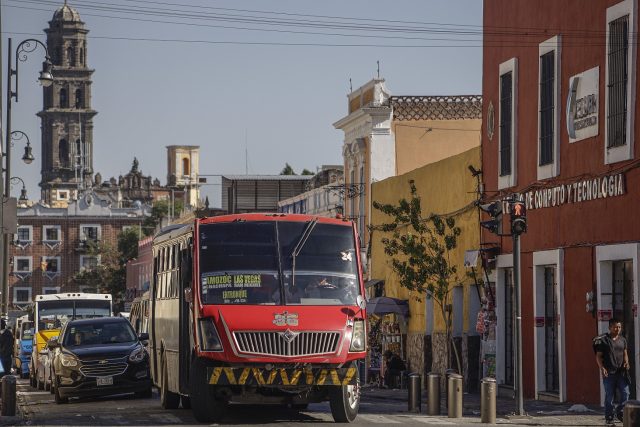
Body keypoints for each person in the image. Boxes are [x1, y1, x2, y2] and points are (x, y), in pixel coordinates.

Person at [595, 318, 630, 423]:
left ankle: (620, 412)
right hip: (609, 373)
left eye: (619, 327)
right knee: (609, 395)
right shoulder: (603, 340)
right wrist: (602, 368)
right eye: (615, 327)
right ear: (610, 327)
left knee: (625, 393)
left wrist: (626, 362)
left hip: (621, 373)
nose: (617, 329)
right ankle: (609, 416)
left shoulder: (623, 340)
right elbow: (598, 356)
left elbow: (625, 354)